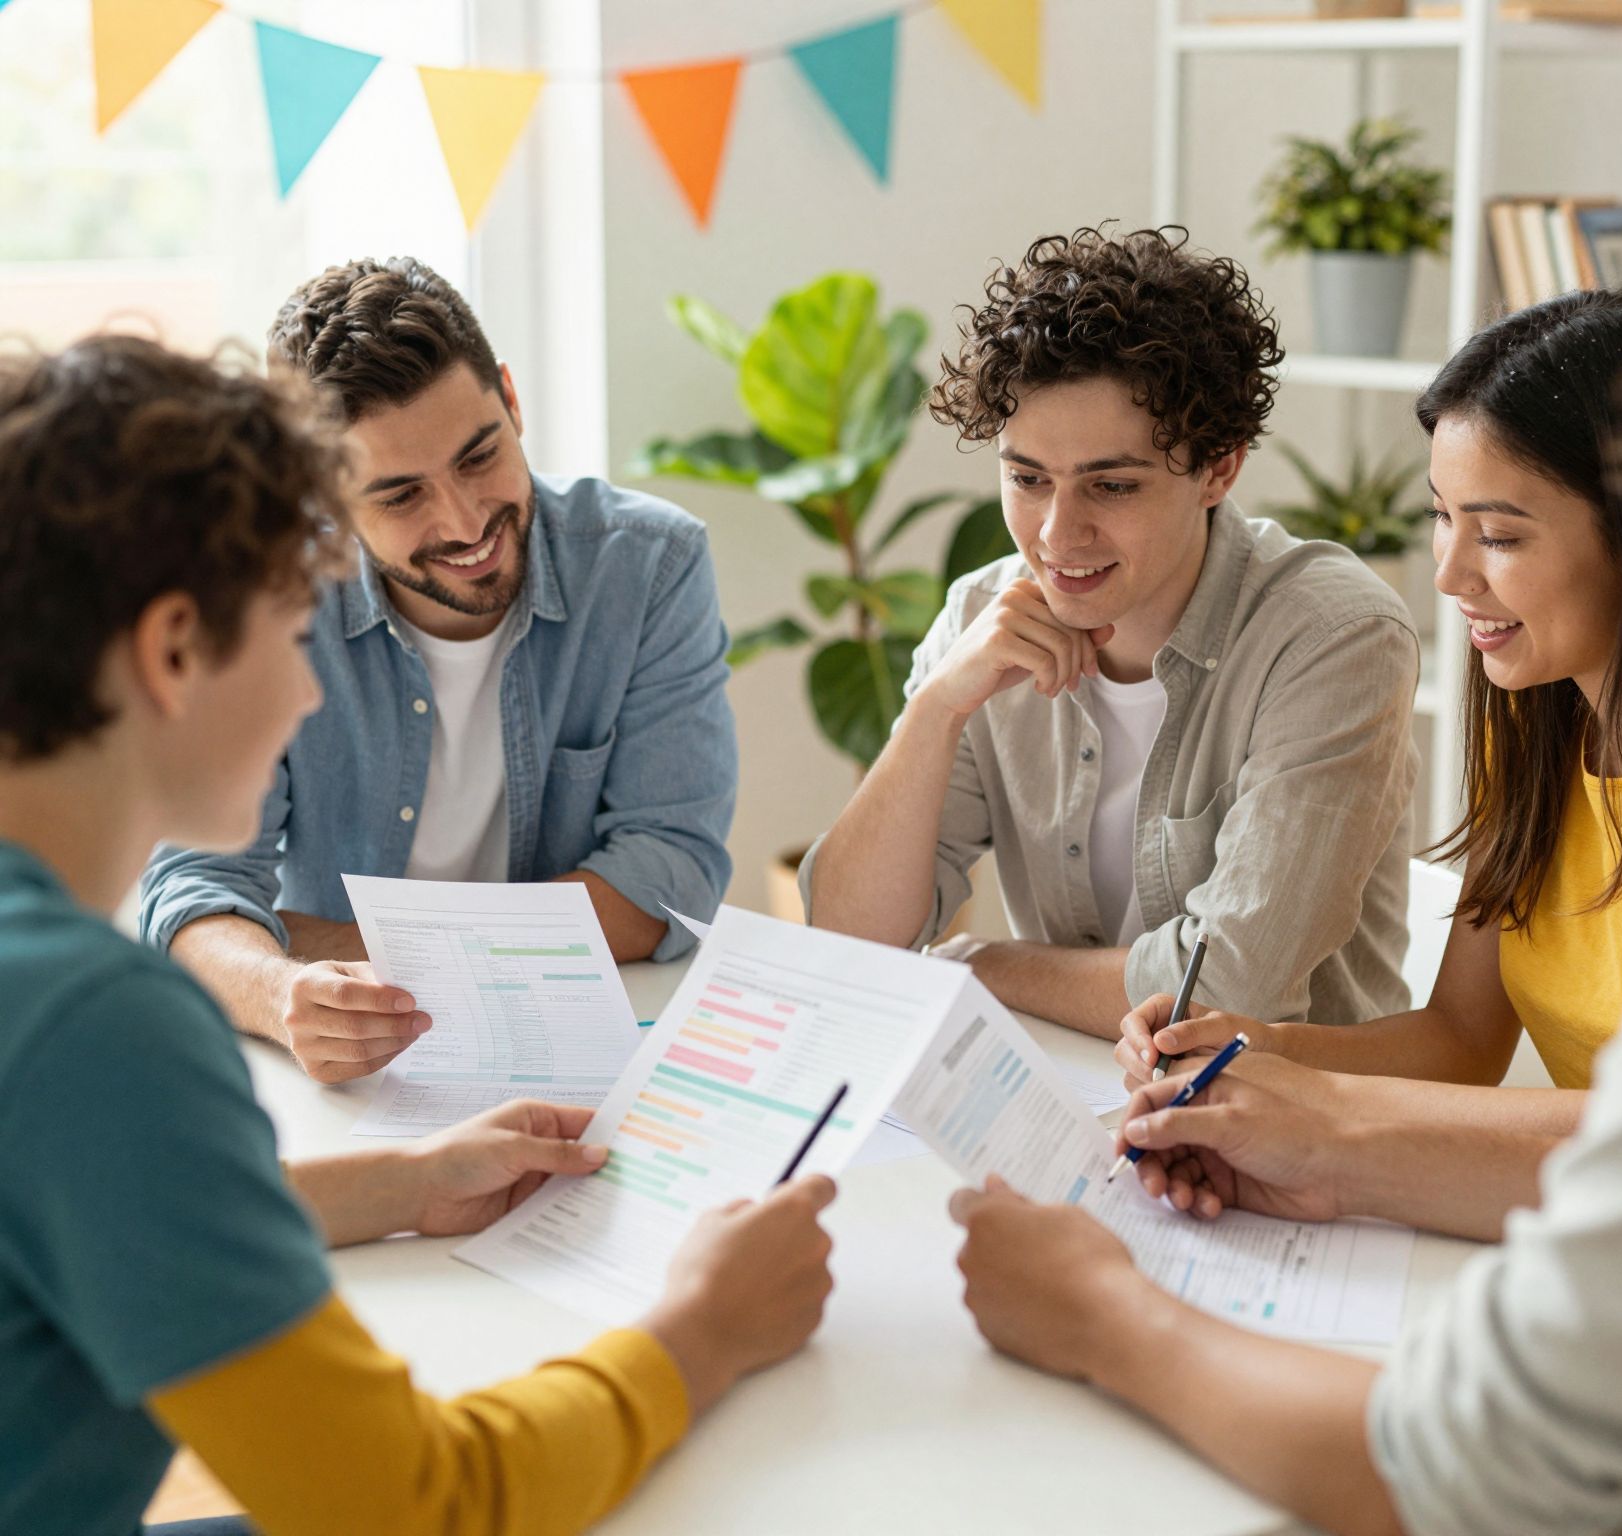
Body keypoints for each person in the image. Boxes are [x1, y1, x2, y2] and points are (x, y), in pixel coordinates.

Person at [952, 253, 1622, 1535]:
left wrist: (1099, 1314)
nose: (1453, 576)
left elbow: (1442, 1472)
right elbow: (1489, 1054)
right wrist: (1309, 1130)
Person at [0, 336, 834, 1536]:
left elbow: (93, 1201)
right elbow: (420, 1505)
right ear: (174, 650)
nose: (304, 693)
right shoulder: (101, 1030)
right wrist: (702, 1327)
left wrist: (401, 1182)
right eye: (291, 633)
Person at [1116, 288, 1622, 1239]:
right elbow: (1459, 1039)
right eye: (1441, 518)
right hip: (1609, 1226)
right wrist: (1244, 1055)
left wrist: (1323, 1128)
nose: (1451, 573)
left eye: (1498, 535)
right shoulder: (1537, 725)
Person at [803, 227, 1420, 1037]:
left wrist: (978, 964)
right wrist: (937, 709)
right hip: (1071, 1107)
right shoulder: (981, 613)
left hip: (1282, 1134)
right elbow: (849, 942)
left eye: (1112, 486)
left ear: (1220, 468)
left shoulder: (1333, 636)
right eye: (1027, 479)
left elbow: (1229, 991)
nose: (1058, 535)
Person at [139, 256, 739, 1084]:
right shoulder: (256, 599)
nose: (464, 521)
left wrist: (313, 936)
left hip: (586, 1043)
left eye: (478, 455)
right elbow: (192, 894)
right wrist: (280, 987)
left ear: (511, 399)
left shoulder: (650, 566)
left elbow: (668, 879)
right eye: (399, 497)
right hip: (353, 1066)